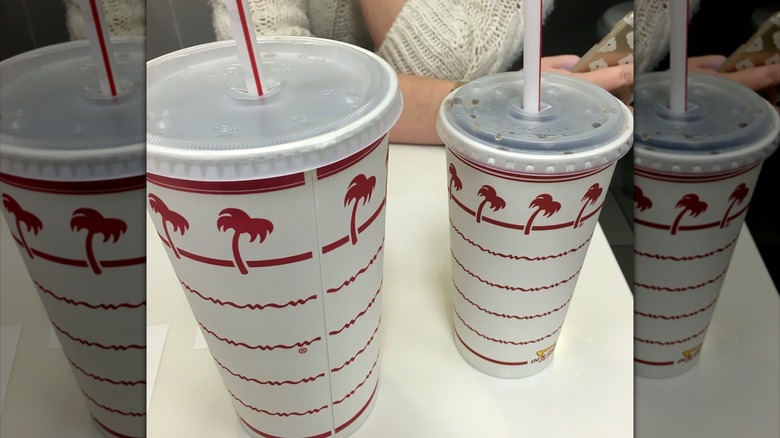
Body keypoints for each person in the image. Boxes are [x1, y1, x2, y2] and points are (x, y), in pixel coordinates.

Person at [207, 0, 635, 145]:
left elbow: (450, 61)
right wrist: (497, 99)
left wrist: (501, 97)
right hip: (301, 185)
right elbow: (277, 94)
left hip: (455, 163)